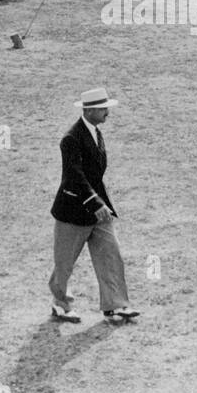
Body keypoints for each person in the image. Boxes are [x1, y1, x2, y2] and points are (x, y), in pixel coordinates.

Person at [48, 87, 138, 325]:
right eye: (102, 108)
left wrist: (102, 204)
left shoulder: (96, 132)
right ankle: (61, 305)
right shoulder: (71, 139)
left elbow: (95, 175)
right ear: (88, 111)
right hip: (72, 213)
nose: (107, 112)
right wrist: (95, 202)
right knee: (64, 263)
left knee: (111, 255)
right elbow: (74, 176)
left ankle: (116, 304)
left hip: (99, 212)